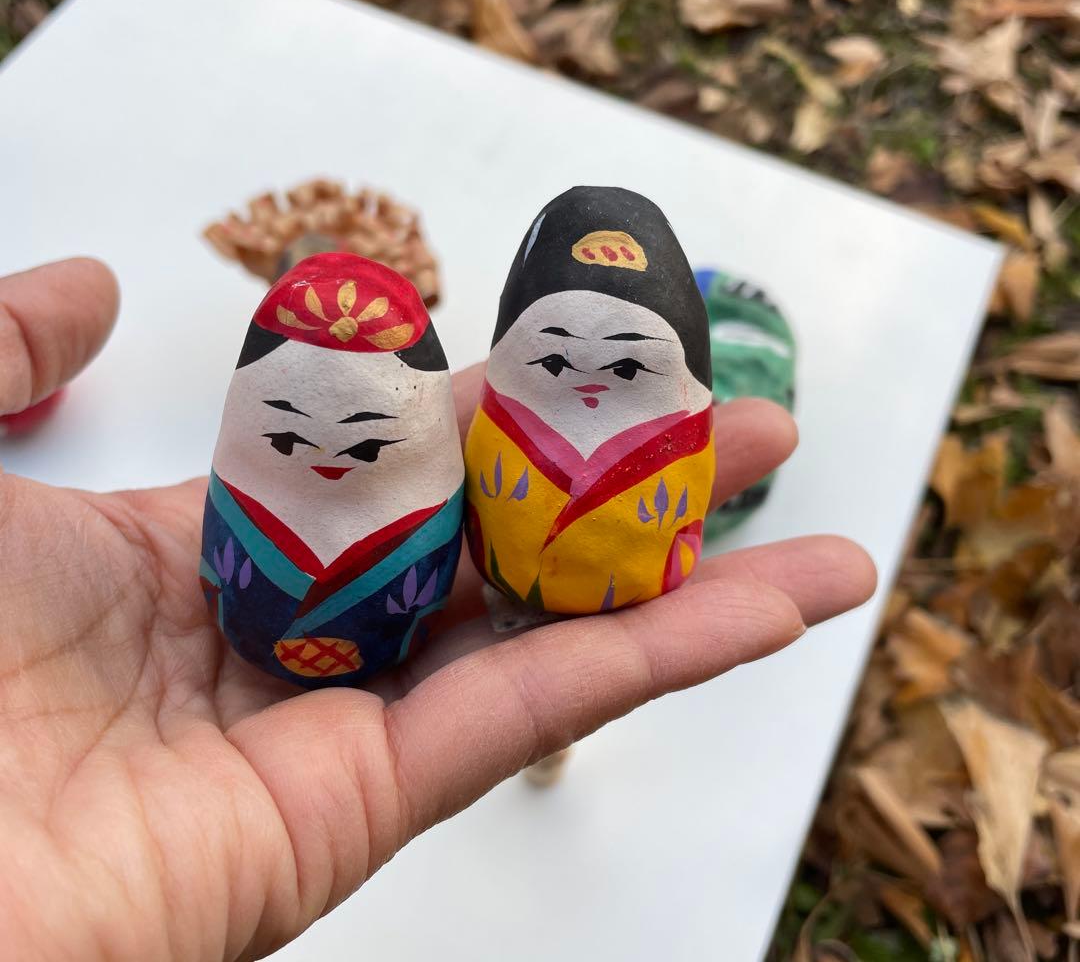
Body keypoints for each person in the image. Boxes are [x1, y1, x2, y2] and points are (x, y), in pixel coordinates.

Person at [0, 257, 876, 959]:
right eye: (289, 431)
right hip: (260, 625)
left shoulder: (432, 498)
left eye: (369, 440)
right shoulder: (251, 487)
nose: (329, 455)